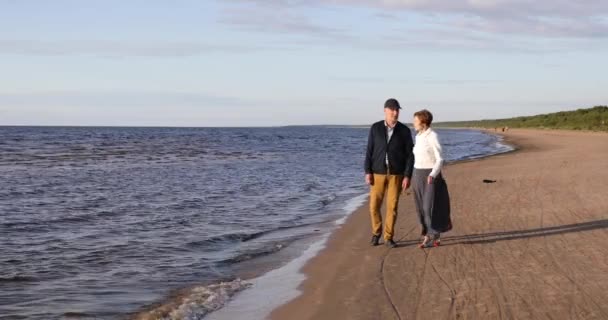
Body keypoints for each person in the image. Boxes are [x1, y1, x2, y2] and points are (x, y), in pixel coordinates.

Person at [364, 98, 415, 248]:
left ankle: (388, 237)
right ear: (385, 110)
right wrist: (368, 171)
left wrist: (407, 175)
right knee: (374, 206)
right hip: (377, 173)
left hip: (396, 174)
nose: (395, 112)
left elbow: (410, 155)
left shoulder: (404, 131)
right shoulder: (375, 128)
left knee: (392, 207)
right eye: (392, 109)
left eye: (397, 110)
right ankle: (376, 232)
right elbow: (369, 151)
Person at [411, 109, 451, 248]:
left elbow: (440, 159)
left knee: (429, 208)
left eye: (415, 121)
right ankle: (427, 236)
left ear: (423, 122)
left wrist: (432, 175)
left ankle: (436, 234)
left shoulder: (433, 136)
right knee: (420, 208)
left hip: (430, 175)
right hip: (417, 174)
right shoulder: (418, 136)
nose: (413, 123)